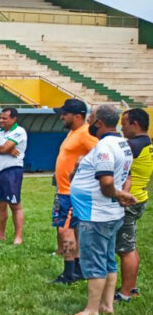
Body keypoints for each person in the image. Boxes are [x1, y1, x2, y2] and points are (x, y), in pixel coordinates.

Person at [66, 105, 135, 315]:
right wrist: (122, 194)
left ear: (98, 123)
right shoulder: (122, 144)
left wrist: (117, 194)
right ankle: (107, 305)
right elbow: (126, 176)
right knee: (107, 260)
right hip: (110, 213)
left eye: (91, 119)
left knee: (95, 261)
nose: (88, 123)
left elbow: (106, 183)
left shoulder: (105, 147)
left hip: (96, 214)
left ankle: (91, 310)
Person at [49, 99, 100, 284]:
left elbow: (101, 154)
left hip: (72, 193)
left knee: (66, 231)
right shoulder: (73, 132)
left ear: (77, 116)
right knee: (71, 230)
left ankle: (69, 274)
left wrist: (82, 165)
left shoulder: (85, 133)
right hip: (64, 191)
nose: (62, 117)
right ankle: (78, 269)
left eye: (65, 114)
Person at [117, 108, 151, 301]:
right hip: (139, 198)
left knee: (126, 249)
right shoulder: (148, 143)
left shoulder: (132, 145)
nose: (122, 128)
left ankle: (125, 292)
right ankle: (131, 287)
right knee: (129, 245)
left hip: (129, 201)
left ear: (134, 124)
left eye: (124, 124)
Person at [0, 108, 27, 244]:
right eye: (0, 118)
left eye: (5, 118)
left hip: (12, 171)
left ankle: (18, 237)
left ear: (14, 119)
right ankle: (0, 234)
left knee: (14, 204)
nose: (1, 121)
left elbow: (3, 148)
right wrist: (3, 149)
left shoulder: (19, 131)